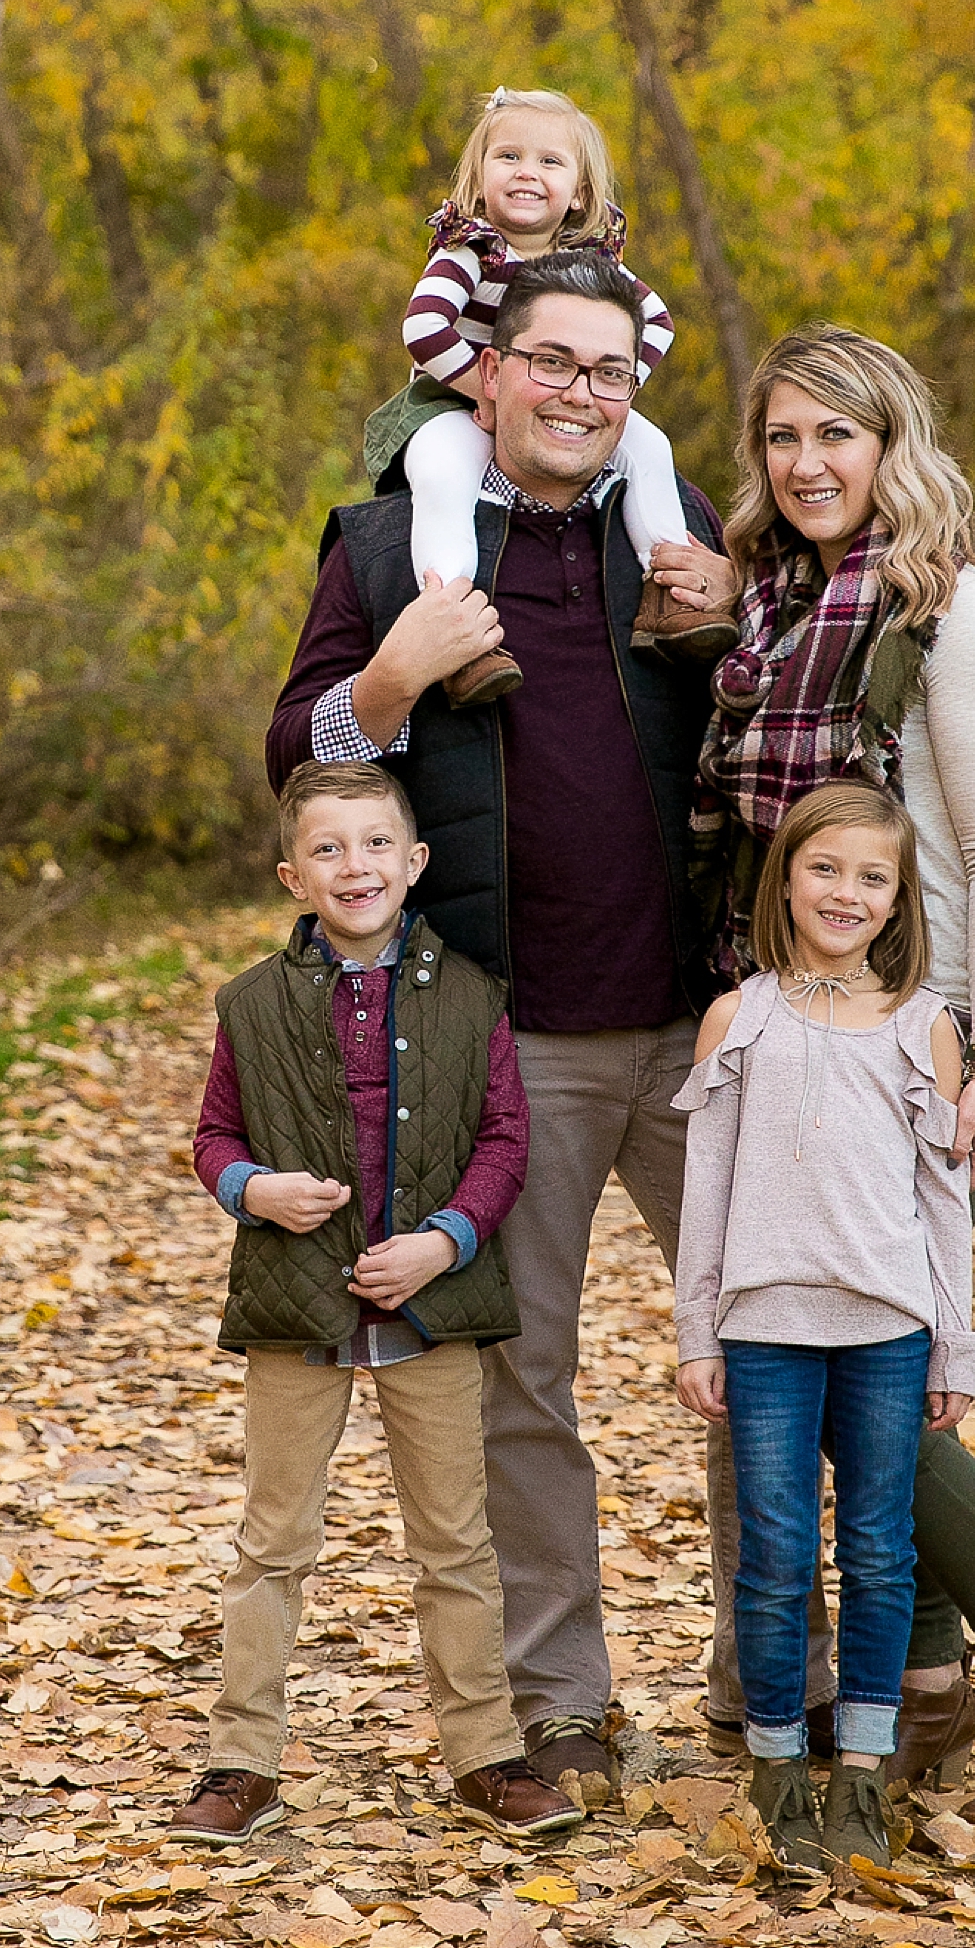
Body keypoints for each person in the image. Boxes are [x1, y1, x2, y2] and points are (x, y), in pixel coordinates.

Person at [266, 249, 748, 1807]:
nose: (578, 394)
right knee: (521, 1382)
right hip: (509, 1034)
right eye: (550, 361)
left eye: (608, 372)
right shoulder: (396, 541)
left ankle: (774, 1684)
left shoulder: (677, 545)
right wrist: (393, 678)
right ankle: (562, 1709)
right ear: (485, 370)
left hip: (707, 1023)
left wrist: (734, 618)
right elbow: (299, 751)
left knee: (764, 1353)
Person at [691, 323, 975, 1807]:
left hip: (926, 1051)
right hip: (799, 1038)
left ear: (895, 444)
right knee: (856, 1376)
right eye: (783, 438)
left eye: (838, 435)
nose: (808, 463)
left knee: (877, 1383)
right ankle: (923, 1691)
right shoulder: (781, 612)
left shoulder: (962, 617)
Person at [178, 757, 582, 1849]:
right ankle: (240, 1759)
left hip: (430, 1306)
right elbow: (213, 1135)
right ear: (289, 874)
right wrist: (250, 1188)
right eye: (325, 848)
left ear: (413, 862)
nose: (351, 864)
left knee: (454, 1540)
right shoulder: (250, 1004)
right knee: (273, 1541)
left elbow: (505, 1137)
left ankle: (486, 1752)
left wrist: (443, 1241)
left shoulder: (470, 995)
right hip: (293, 1301)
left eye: (372, 844)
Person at [675, 783, 975, 1882]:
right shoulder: (736, 1018)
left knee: (880, 1550)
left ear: (897, 899)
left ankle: (860, 1761)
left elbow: (942, 1200)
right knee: (773, 1553)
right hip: (763, 1326)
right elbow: (702, 1192)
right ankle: (771, 1761)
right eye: (824, 869)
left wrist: (955, 1340)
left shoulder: (920, 1026)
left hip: (886, 1328)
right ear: (785, 878)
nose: (844, 892)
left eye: (871, 877)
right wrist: (695, 1333)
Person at [363, 86, 734, 707]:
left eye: (550, 162)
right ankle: (459, 633)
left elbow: (659, 322)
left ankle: (670, 593)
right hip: (451, 400)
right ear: (480, 178)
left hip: (550, 398)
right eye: (509, 157)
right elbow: (423, 329)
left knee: (651, 449)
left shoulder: (587, 264)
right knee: (442, 477)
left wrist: (608, 389)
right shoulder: (469, 251)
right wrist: (485, 390)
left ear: (581, 192)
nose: (527, 173)